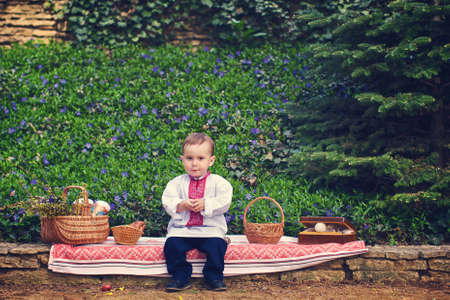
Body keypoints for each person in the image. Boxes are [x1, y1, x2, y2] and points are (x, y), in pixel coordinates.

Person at [162, 132, 233, 292]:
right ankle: (180, 275)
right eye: (189, 158)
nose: (194, 164)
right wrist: (181, 205)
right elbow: (167, 201)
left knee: (217, 246)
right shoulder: (176, 183)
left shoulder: (219, 183)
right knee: (172, 246)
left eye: (200, 158)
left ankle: (213, 276)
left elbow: (224, 202)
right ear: (182, 160)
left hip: (210, 230)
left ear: (211, 160)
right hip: (182, 231)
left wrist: (206, 204)